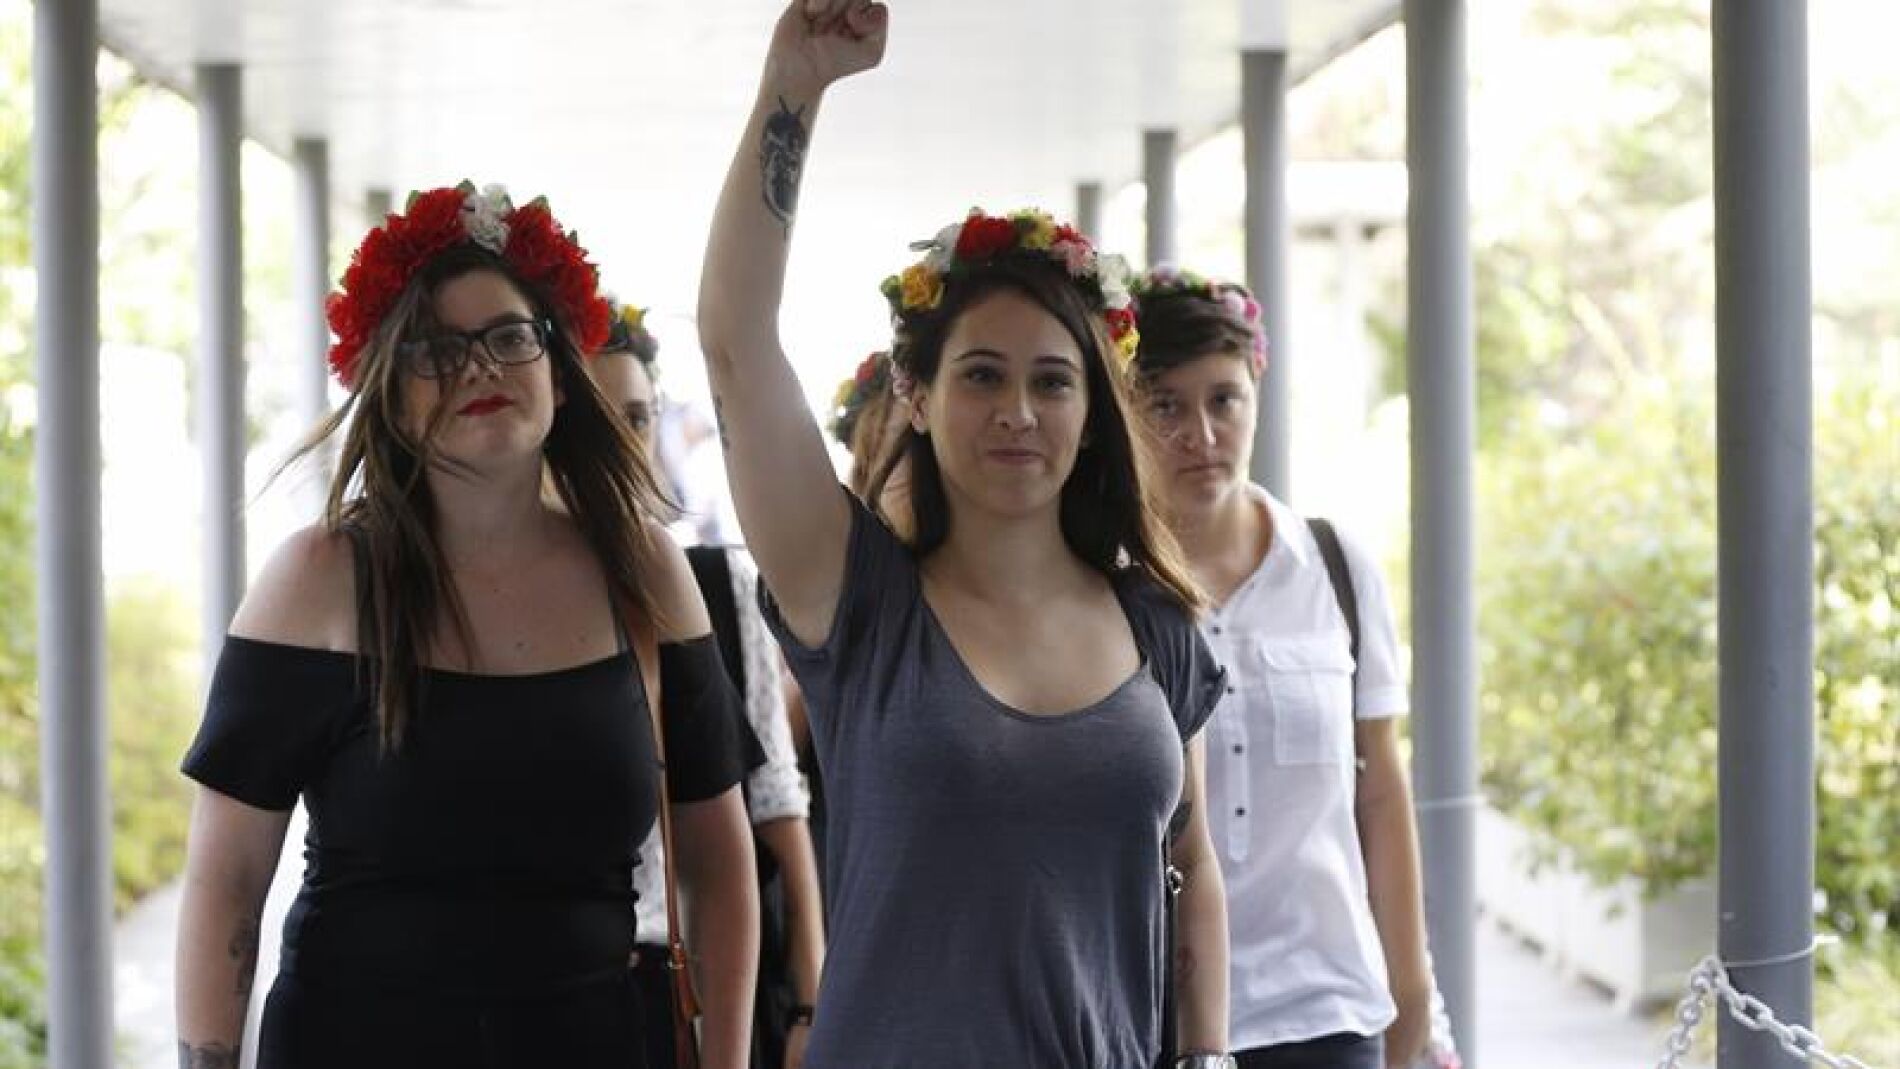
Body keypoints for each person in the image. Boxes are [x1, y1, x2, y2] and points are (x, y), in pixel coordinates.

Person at [695, 5, 1235, 1067]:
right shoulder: (858, 602)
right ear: (920, 396)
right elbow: (734, 342)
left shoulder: (1157, 626)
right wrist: (791, 88)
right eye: (981, 374)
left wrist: (1210, 1057)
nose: (1018, 413)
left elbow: (1193, 864)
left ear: (1093, 414)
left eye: (1052, 382)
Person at [174, 183, 760, 1069]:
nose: (479, 368)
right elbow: (225, 884)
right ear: (390, 395)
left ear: (560, 374)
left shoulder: (642, 572)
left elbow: (718, 865)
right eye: (434, 352)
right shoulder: (317, 578)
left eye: (509, 337)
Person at [1128, 266, 1434, 1069]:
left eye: (1224, 398)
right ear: (1124, 412)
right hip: (1157, 1015)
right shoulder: (1105, 588)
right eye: (1167, 405)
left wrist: (1413, 991)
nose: (1201, 433)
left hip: (1327, 1008)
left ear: (1256, 389)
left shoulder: (1333, 567)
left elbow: (1380, 790)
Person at [589, 297, 827, 1069]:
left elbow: (775, 798)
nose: (618, 442)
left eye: (635, 416)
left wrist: (811, 993)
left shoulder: (716, 586)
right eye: (595, 414)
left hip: (683, 978)